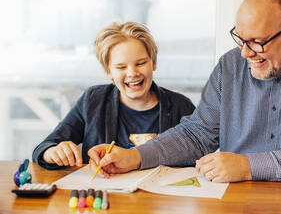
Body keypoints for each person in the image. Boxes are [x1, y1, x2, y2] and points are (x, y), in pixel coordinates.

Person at [88, 0, 281, 182]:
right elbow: (196, 135)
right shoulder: (230, 66)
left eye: (257, 42)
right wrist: (134, 157)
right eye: (240, 38)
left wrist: (249, 166)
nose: (245, 53)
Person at [32, 21, 195, 170]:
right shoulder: (93, 100)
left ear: (153, 63)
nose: (132, 73)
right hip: (105, 196)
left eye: (141, 63)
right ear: (109, 72)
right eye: (121, 67)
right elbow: (46, 146)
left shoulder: (181, 106)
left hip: (159, 199)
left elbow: (198, 153)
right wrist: (52, 152)